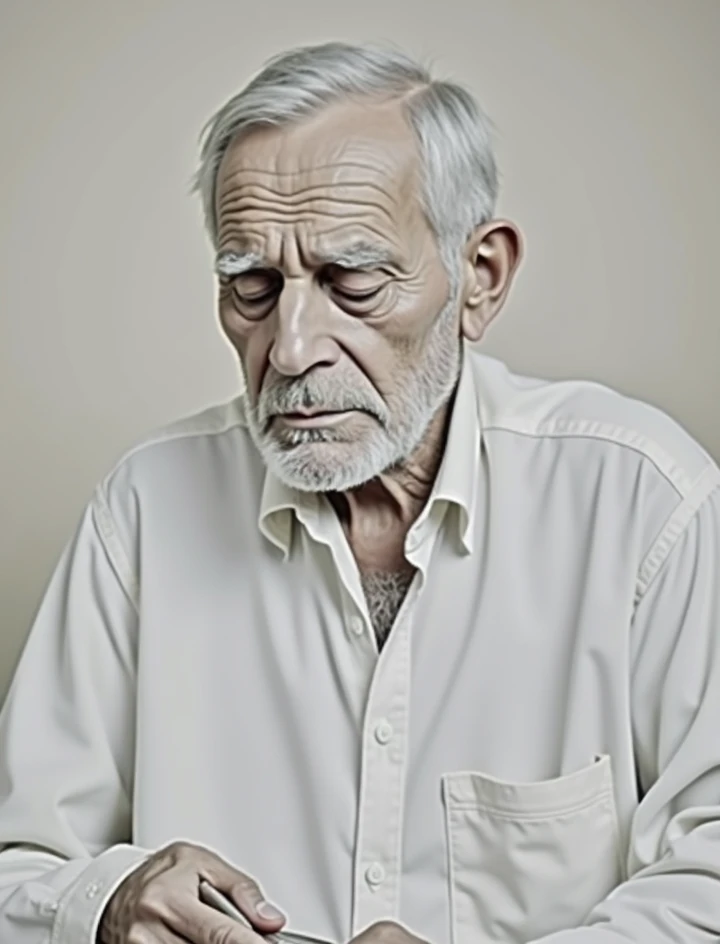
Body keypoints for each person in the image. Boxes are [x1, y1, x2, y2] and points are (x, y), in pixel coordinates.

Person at [1, 39, 719, 944]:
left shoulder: (645, 503)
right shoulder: (145, 509)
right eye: (253, 287)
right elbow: (16, 867)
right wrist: (103, 905)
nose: (291, 348)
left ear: (479, 279)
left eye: (353, 282)